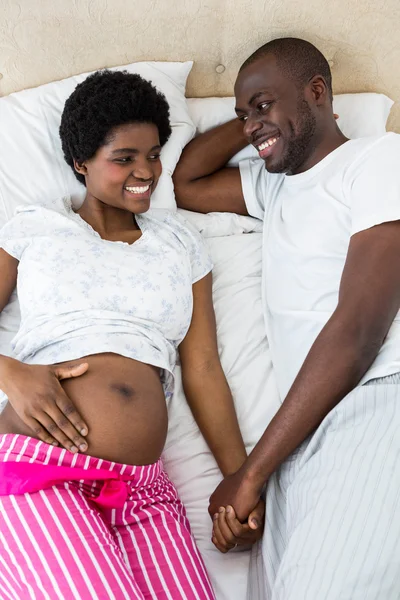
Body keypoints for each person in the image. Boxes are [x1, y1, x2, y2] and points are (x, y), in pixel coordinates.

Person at [0, 70, 263, 600]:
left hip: (144, 492)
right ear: (81, 162)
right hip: (40, 471)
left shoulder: (181, 243)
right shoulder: (34, 228)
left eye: (153, 154)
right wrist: (12, 373)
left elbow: (205, 370)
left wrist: (242, 483)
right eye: (124, 158)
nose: (145, 172)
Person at [173, 37, 400, 600]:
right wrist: (259, 119)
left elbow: (358, 331)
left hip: (373, 401)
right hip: (300, 435)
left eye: (264, 104)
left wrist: (249, 474)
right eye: (242, 113)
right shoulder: (275, 188)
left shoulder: (378, 159)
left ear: (318, 92)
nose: (251, 127)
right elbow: (187, 183)